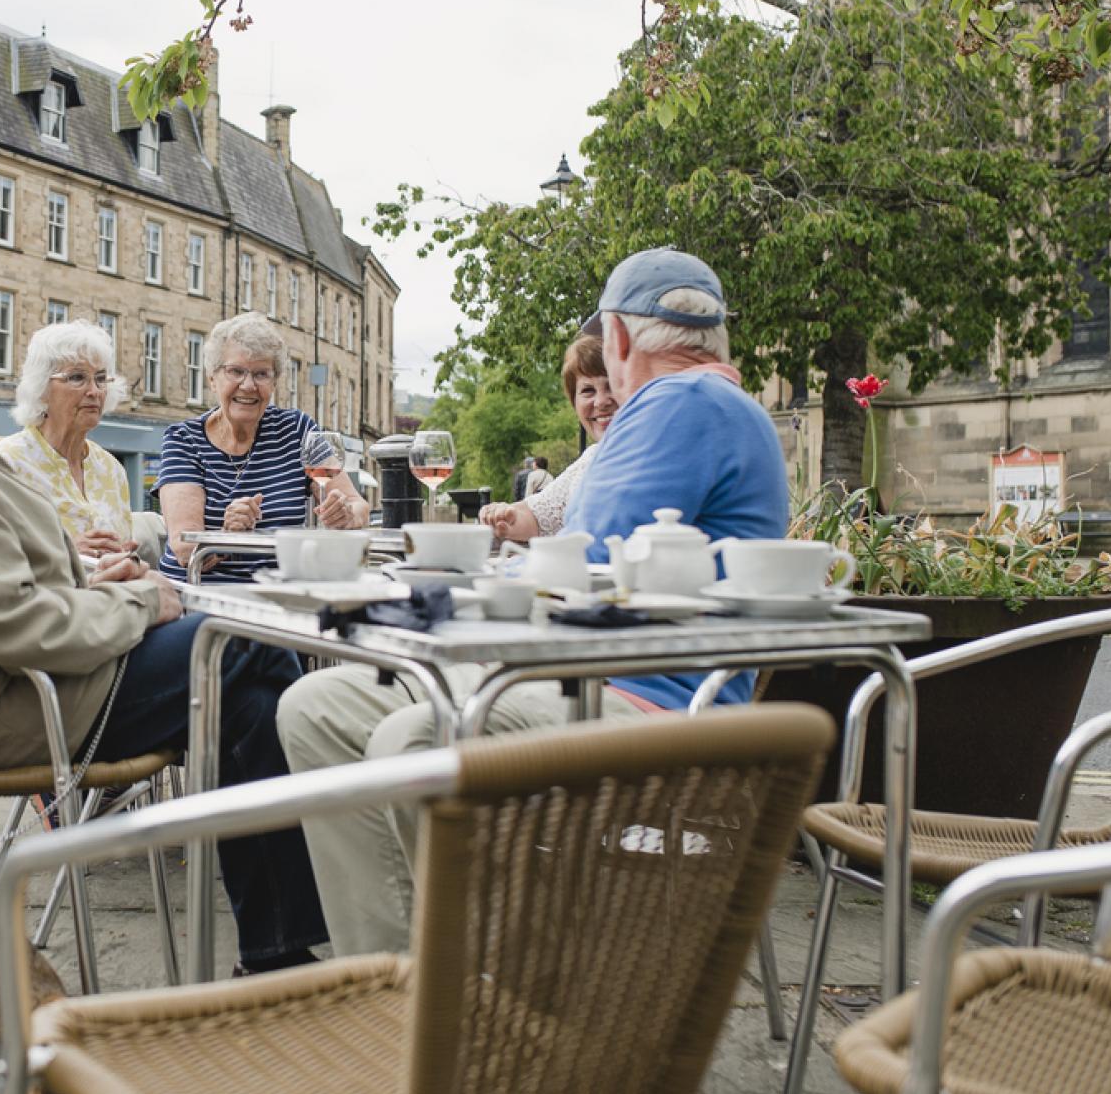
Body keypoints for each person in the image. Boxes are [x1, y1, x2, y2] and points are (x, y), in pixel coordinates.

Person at [0, 241, 326, 973]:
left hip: (21, 681)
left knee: (252, 691)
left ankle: (278, 951)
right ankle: (334, 870)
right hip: (12, 705)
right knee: (249, 640)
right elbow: (5, 624)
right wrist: (139, 603)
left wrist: (103, 585)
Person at [275, 247, 789, 955]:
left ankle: (476, 1002)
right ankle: (397, 980)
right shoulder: (711, 406)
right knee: (317, 706)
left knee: (414, 741)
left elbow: (578, 567)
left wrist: (447, 601)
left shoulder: (677, 402)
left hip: (648, 707)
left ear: (617, 338)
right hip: (592, 678)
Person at [157, 312, 367, 583]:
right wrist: (226, 535)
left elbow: (357, 504)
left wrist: (346, 516)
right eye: (236, 371)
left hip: (278, 595)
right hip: (201, 596)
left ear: (274, 381)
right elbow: (186, 551)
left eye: (261, 374)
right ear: (212, 378)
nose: (248, 385)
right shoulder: (184, 440)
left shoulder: (297, 429)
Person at [0, 320, 138, 564]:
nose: (94, 391)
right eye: (77, 377)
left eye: (101, 378)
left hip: (108, 598)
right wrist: (65, 551)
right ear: (41, 388)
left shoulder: (112, 469)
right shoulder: (7, 464)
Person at [477, 332, 617, 541]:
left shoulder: (655, 452)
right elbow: (537, 515)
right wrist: (505, 516)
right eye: (588, 391)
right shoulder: (591, 458)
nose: (601, 402)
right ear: (574, 403)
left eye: (612, 386)